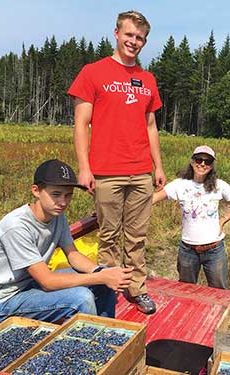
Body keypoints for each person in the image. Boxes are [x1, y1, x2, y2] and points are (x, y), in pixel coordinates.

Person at [68, 10, 165, 314]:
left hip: (140, 171)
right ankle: (108, 291)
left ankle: (137, 289)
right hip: (107, 171)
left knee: (137, 237)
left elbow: (151, 126)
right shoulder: (93, 72)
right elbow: (81, 124)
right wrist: (84, 168)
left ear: (144, 42)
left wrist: (158, 166)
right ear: (116, 34)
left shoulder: (147, 79)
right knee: (109, 236)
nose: (133, 42)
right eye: (129, 35)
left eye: (140, 38)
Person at [0, 159, 133, 324]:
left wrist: (100, 272)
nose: (63, 202)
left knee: (102, 280)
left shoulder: (57, 216)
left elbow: (73, 255)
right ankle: (85, 347)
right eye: (56, 194)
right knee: (81, 298)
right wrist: (100, 277)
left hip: (30, 283)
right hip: (3, 300)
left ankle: (105, 334)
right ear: (36, 191)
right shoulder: (16, 226)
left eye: (68, 195)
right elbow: (47, 281)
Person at [152, 146, 230, 289]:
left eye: (207, 161)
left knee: (219, 292)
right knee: (186, 291)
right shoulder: (179, 184)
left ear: (211, 166)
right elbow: (152, 199)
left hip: (214, 250)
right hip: (188, 250)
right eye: (199, 159)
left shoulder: (219, 185)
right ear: (192, 161)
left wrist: (223, 219)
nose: (202, 164)